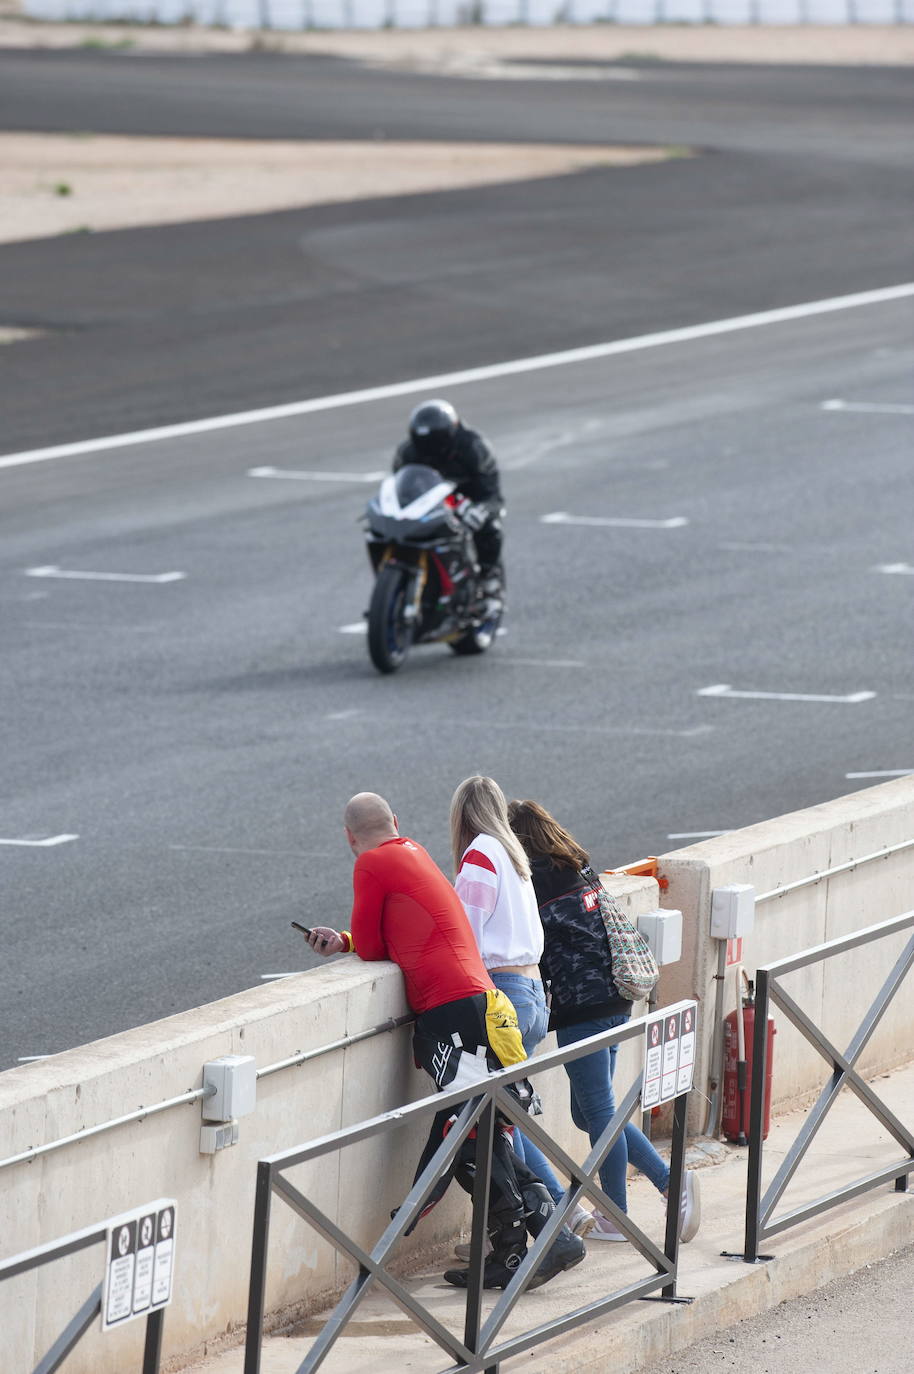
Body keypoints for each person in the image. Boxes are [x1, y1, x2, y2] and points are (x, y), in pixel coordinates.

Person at [304, 791, 585, 1289]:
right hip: (483, 1003)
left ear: (349, 836)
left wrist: (352, 942)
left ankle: (520, 1247)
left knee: (470, 1139)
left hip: (453, 1009)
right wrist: (344, 940)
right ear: (396, 819)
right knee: (483, 1131)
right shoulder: (413, 851)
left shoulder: (372, 862)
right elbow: (414, 931)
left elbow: (372, 946)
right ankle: (541, 1235)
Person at [506, 799, 701, 1245]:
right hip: (615, 997)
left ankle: (624, 1208)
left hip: (582, 1007)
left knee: (598, 1112)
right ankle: (664, 1183)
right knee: (590, 1112)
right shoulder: (575, 866)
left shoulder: (537, 881)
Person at [449, 776, 593, 1240]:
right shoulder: (515, 858)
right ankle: (560, 1219)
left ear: (462, 816)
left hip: (501, 996)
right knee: (509, 1117)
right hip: (533, 994)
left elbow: (463, 938)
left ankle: (547, 1226)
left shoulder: (478, 859)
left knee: (496, 1125)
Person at [394, 399, 504, 596]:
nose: (429, 450)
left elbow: (491, 494)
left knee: (489, 526)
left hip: (469, 497)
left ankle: (490, 578)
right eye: (423, 445)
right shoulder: (407, 452)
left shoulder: (475, 448)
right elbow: (398, 486)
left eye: (434, 443)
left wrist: (478, 508)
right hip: (427, 500)